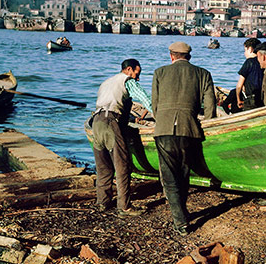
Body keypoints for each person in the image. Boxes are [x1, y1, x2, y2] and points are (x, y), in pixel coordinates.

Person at [152, 41, 216, 235]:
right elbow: (210, 105)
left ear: (171, 56)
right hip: (189, 129)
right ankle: (182, 214)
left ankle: (180, 222)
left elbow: (155, 105)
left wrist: (162, 119)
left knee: (170, 177)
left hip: (163, 128)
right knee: (184, 173)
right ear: (189, 56)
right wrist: (210, 122)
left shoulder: (159, 72)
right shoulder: (203, 73)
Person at [91, 59, 153, 216]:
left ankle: (102, 203)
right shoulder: (128, 81)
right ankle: (124, 207)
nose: (137, 78)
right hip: (110, 122)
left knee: (103, 167)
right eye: (137, 74)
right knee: (122, 166)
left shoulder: (106, 82)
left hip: (96, 122)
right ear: (129, 70)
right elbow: (147, 101)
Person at [221, 38, 263, 114]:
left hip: (251, 99)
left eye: (245, 50)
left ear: (250, 49)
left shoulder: (249, 62)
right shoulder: (263, 62)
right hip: (262, 98)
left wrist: (238, 100)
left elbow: (239, 86)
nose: (244, 53)